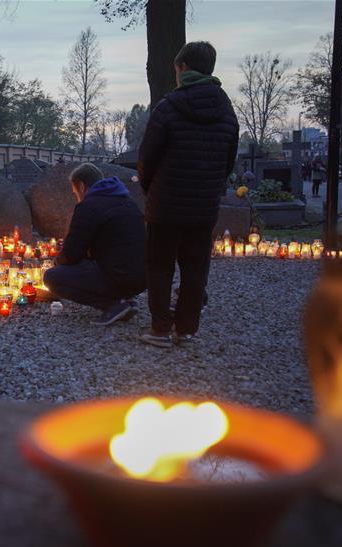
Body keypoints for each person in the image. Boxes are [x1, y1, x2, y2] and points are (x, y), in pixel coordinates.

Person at [137, 41, 239, 347]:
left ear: (182, 68)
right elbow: (228, 161)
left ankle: (159, 329)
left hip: (165, 204)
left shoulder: (168, 107)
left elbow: (147, 158)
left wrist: (150, 189)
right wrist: (209, 187)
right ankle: (186, 329)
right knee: (195, 268)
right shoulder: (226, 110)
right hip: (203, 207)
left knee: (160, 266)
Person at [42, 163, 146, 326]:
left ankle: (113, 305)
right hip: (142, 278)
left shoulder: (89, 206)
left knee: (52, 277)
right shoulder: (126, 201)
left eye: (75, 192)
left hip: (119, 277)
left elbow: (72, 253)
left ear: (82, 186)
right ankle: (124, 299)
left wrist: (56, 263)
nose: (76, 196)